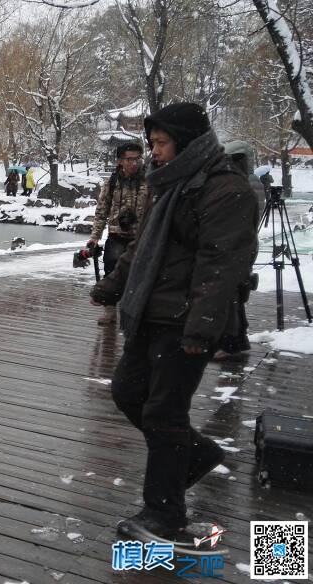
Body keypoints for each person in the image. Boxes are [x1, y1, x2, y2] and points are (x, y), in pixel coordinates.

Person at [89, 103, 258, 541]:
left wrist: (202, 330)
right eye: (152, 144)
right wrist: (112, 286)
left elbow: (220, 266)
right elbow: (142, 249)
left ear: (187, 142)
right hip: (150, 313)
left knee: (165, 411)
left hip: (184, 323)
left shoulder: (226, 190)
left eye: (161, 143)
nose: (154, 152)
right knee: (129, 392)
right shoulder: (168, 186)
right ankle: (196, 456)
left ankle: (164, 514)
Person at [89, 143, 148, 325]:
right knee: (111, 272)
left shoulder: (149, 180)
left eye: (137, 158)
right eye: (129, 159)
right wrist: (95, 236)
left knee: (140, 275)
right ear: (120, 161)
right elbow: (102, 210)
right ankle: (110, 311)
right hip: (116, 235)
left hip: (141, 236)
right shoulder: (113, 182)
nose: (134, 163)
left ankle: (135, 312)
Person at [215, 140, 264, 360]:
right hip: (242, 245)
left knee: (231, 294)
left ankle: (231, 343)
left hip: (237, 247)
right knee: (236, 293)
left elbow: (237, 219)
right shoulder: (249, 181)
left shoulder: (244, 184)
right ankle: (238, 339)